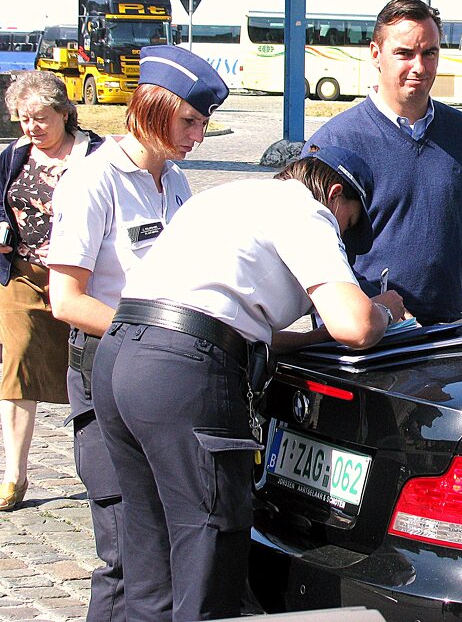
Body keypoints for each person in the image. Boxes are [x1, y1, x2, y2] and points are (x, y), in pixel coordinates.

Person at [91, 146, 408, 621]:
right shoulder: (305, 209)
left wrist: (310, 337)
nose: (343, 233)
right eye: (347, 222)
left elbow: (234, 318)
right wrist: (384, 308)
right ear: (335, 193)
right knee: (209, 544)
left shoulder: (229, 198)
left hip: (123, 353)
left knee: (150, 548)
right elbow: (356, 326)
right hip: (183, 371)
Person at [47, 45, 229, 622]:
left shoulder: (175, 183)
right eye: (190, 121)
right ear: (153, 107)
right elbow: (66, 299)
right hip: (105, 377)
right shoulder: (92, 180)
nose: (198, 136)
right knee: (127, 557)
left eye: (203, 123)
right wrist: (151, 335)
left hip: (166, 387)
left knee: (167, 555)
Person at [302, 0, 462, 323]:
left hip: (449, 336)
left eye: (429, 53)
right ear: (376, 54)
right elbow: (314, 254)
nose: (419, 66)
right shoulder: (332, 144)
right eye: (404, 53)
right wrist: (379, 308)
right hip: (367, 347)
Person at [0, 71, 103, 511]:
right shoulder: (13, 156)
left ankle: (105, 466)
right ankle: (14, 474)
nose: (32, 128)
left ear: (65, 113)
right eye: (24, 119)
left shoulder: (97, 155)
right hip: (23, 275)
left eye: (41, 118)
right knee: (16, 361)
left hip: (85, 281)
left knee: (95, 372)